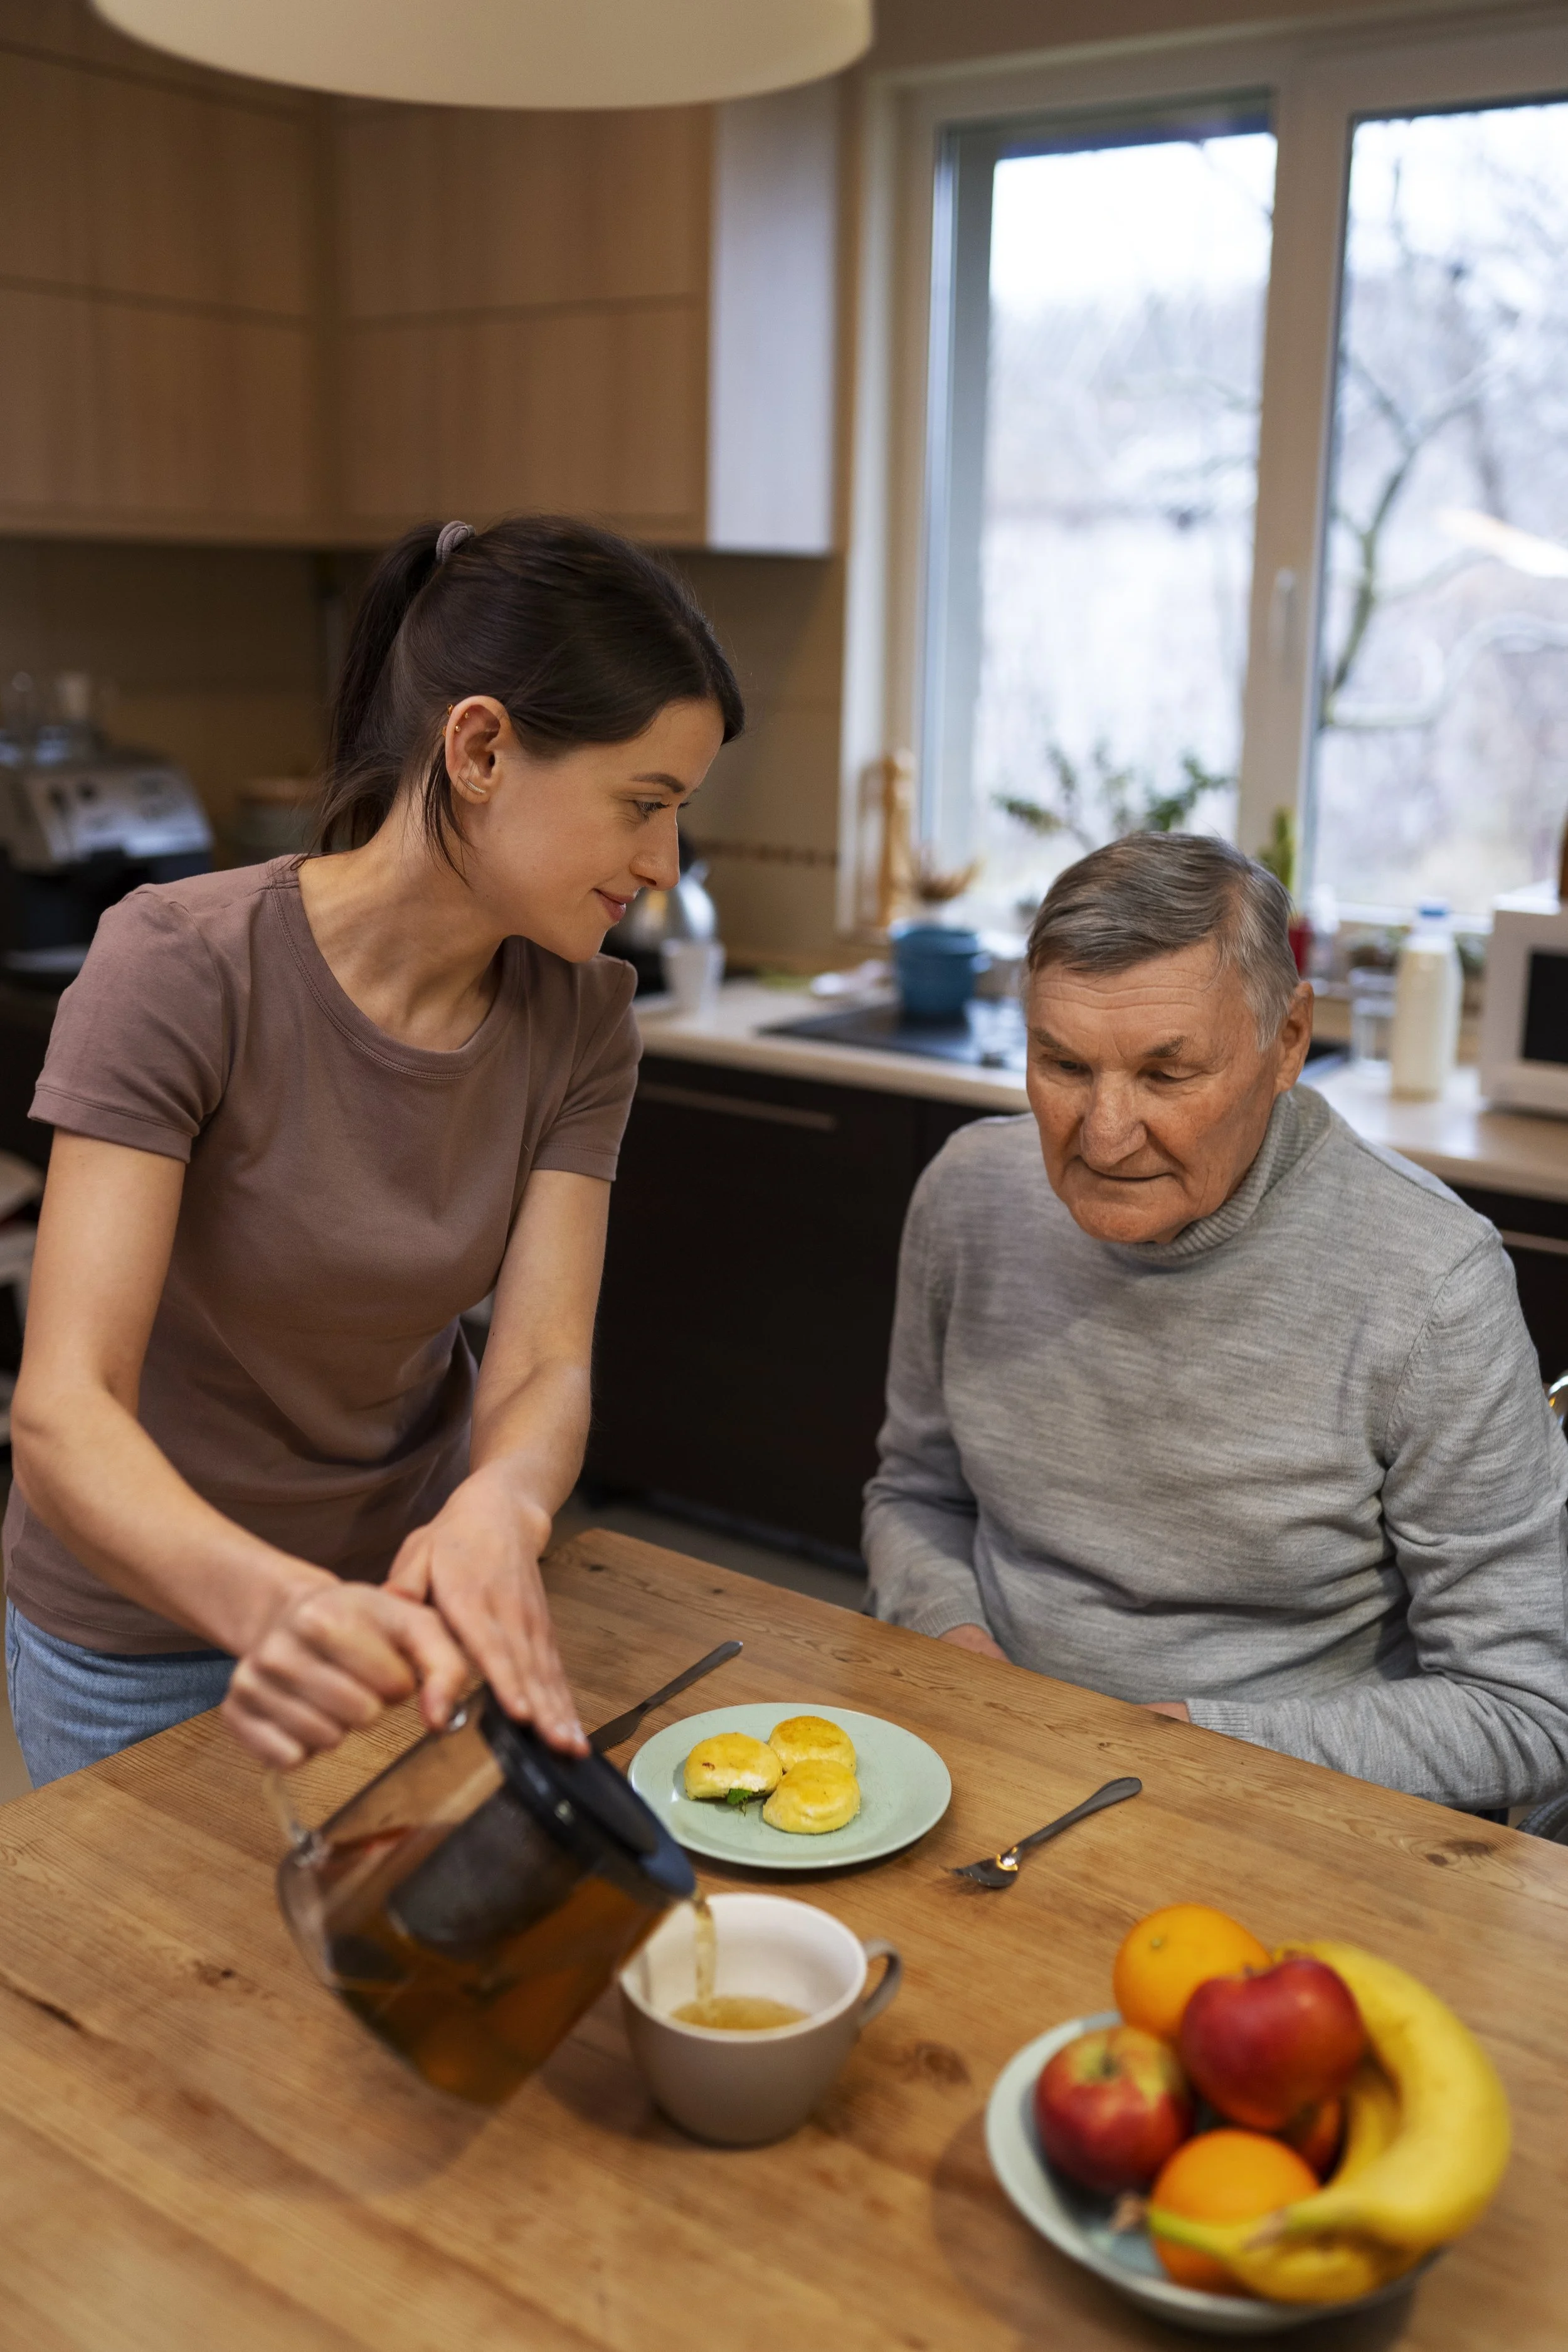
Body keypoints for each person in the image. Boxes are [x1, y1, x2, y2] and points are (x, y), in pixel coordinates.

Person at [5, 514, 743, 1786]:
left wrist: (501, 1506)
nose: (663, 865)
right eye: (643, 804)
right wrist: (272, 1606)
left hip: (410, 1619)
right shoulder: (181, 966)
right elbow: (64, 1411)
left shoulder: (583, 1023)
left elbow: (540, 1366)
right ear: (479, 748)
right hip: (144, 1639)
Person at [864, 832, 1568, 1813]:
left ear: (1286, 1044)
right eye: (1062, 1064)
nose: (1104, 1136)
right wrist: (958, 1649)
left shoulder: (1432, 1284)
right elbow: (917, 1494)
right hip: (992, 1750)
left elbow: (1526, 1709)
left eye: (1166, 1075)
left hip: (1279, 1811)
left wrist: (1196, 1746)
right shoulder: (967, 1194)